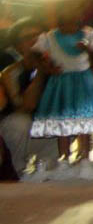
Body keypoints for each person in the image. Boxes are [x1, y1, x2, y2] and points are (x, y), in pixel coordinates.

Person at [29, 6, 93, 179]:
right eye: (66, 22)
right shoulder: (49, 37)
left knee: (84, 122)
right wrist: (47, 67)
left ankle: (85, 157)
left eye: (74, 21)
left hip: (83, 83)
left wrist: (88, 49)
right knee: (63, 122)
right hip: (62, 84)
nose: (71, 26)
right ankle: (64, 158)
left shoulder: (88, 34)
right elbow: (35, 53)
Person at [0, 18, 58, 180]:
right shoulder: (10, 72)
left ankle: (52, 169)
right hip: (24, 132)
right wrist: (40, 72)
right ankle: (20, 171)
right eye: (26, 38)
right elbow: (25, 106)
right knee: (18, 122)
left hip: (50, 130)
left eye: (38, 35)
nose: (33, 40)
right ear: (18, 47)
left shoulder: (60, 65)